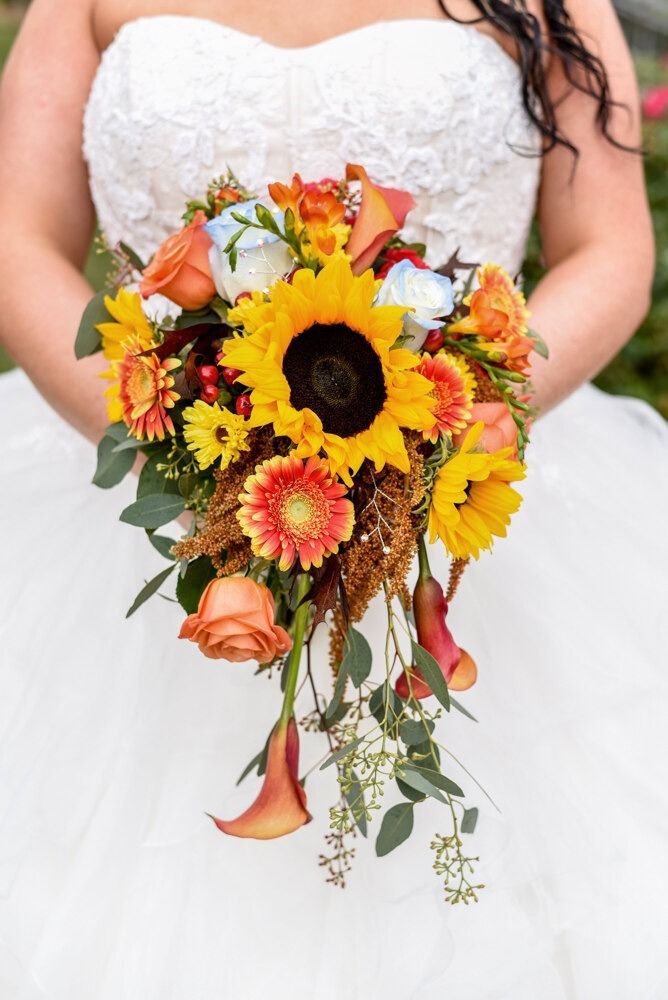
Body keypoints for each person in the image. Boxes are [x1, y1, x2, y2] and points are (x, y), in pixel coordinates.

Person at [0, 2, 666, 997]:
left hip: (459, 502)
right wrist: (177, 454)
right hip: (142, 488)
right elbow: (19, 237)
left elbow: (609, 250)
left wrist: (430, 438)